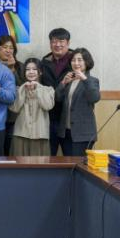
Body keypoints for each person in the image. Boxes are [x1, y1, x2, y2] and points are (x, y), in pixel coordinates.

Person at [55, 48, 100, 156]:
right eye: (73, 60)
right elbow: (57, 98)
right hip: (66, 132)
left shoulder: (92, 80)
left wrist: (84, 79)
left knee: (79, 164)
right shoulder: (70, 79)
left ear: (86, 62)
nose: (76, 63)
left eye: (79, 60)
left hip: (83, 134)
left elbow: (94, 98)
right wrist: (63, 83)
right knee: (68, 163)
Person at [9, 58, 55, 156]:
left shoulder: (48, 90)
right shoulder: (18, 89)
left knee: (39, 164)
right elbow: (14, 108)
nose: (31, 72)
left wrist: (38, 88)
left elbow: (47, 106)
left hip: (40, 135)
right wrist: (23, 89)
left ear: (40, 72)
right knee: (19, 163)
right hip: (20, 134)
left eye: (34, 69)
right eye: (27, 69)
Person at [41, 28, 73, 156]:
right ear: (50, 44)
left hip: (69, 118)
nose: (58, 44)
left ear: (68, 43)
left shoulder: (76, 61)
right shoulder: (44, 62)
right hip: (49, 117)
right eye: (54, 41)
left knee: (72, 158)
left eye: (61, 41)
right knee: (48, 157)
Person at [0, 35, 25, 156]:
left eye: (11, 48)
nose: (8, 50)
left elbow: (23, 88)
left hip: (13, 116)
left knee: (10, 150)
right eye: (5, 47)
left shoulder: (20, 66)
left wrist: (12, 69)